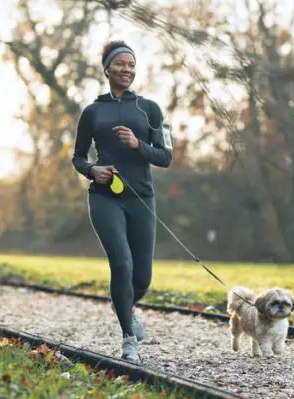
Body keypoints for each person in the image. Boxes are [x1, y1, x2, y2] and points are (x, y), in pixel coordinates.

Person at [71, 40, 173, 363]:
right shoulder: (92, 112)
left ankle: (124, 304)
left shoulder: (150, 109)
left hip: (141, 198)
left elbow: (165, 156)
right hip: (105, 197)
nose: (127, 70)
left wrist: (137, 144)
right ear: (107, 69)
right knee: (122, 263)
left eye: (131, 65)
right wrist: (92, 170)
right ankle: (129, 339)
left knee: (142, 276)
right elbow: (77, 157)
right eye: (120, 64)